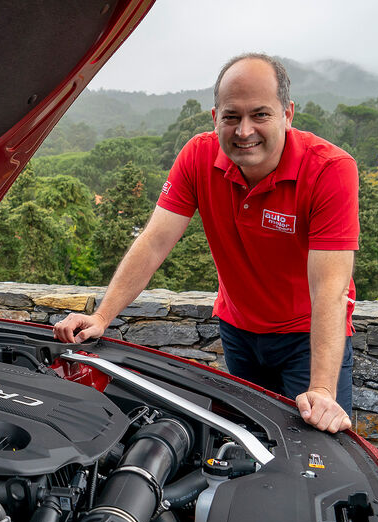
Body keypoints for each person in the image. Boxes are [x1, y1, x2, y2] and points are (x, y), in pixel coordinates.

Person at [53, 53, 358, 434]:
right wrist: (102, 316)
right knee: (243, 440)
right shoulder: (198, 155)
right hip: (239, 331)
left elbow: (330, 287)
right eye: (231, 116)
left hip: (305, 337)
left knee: (315, 449)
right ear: (215, 118)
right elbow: (153, 242)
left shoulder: (329, 169)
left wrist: (323, 389)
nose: (244, 130)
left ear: (288, 114)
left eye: (260, 114)